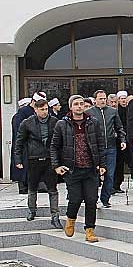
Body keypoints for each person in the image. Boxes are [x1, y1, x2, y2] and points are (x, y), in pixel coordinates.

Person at [51, 95, 106, 243]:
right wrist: (56, 165)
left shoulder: (93, 122)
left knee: (91, 200)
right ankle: (70, 219)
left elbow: (101, 145)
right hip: (72, 169)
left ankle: (90, 230)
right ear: (71, 107)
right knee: (75, 199)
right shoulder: (62, 124)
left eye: (82, 104)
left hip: (90, 168)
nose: (79, 106)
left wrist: (103, 165)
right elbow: (54, 146)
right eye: (76, 104)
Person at [14, 99, 61, 228]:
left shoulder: (54, 122)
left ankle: (55, 215)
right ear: (35, 109)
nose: (45, 112)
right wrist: (17, 159)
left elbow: (60, 141)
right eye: (42, 109)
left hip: (50, 159)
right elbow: (19, 142)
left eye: (46, 109)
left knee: (52, 189)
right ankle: (32, 210)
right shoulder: (27, 123)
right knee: (32, 187)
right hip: (34, 158)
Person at [86, 90, 126, 208]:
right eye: (100, 98)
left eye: (104, 98)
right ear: (95, 100)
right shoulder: (88, 113)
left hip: (110, 147)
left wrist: (122, 140)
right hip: (94, 148)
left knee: (109, 174)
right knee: (94, 175)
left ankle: (105, 198)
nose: (103, 101)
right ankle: (92, 198)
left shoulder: (113, 112)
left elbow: (119, 128)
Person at [11, 97, 34, 194]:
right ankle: (23, 187)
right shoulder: (19, 116)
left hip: (27, 145)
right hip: (22, 146)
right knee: (21, 167)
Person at [113, 91, 131, 193]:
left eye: (125, 98)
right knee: (116, 163)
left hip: (128, 138)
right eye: (121, 99)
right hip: (117, 140)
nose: (123, 100)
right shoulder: (115, 111)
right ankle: (114, 185)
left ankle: (118, 184)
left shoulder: (129, 109)